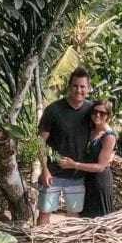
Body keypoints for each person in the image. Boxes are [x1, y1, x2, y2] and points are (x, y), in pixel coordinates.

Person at [36, 67, 92, 225]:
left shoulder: (92, 111)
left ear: (88, 88)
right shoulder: (53, 110)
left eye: (82, 87)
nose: (78, 90)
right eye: (75, 86)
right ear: (70, 86)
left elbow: (105, 132)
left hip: (77, 175)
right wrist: (44, 169)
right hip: (52, 174)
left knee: (74, 217)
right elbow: (40, 142)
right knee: (44, 214)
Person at [59, 99, 117, 218]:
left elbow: (101, 167)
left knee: (98, 219)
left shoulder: (109, 136)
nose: (97, 115)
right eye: (94, 111)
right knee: (83, 216)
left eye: (102, 113)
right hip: (86, 179)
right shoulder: (92, 130)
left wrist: (74, 165)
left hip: (99, 181)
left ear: (108, 115)